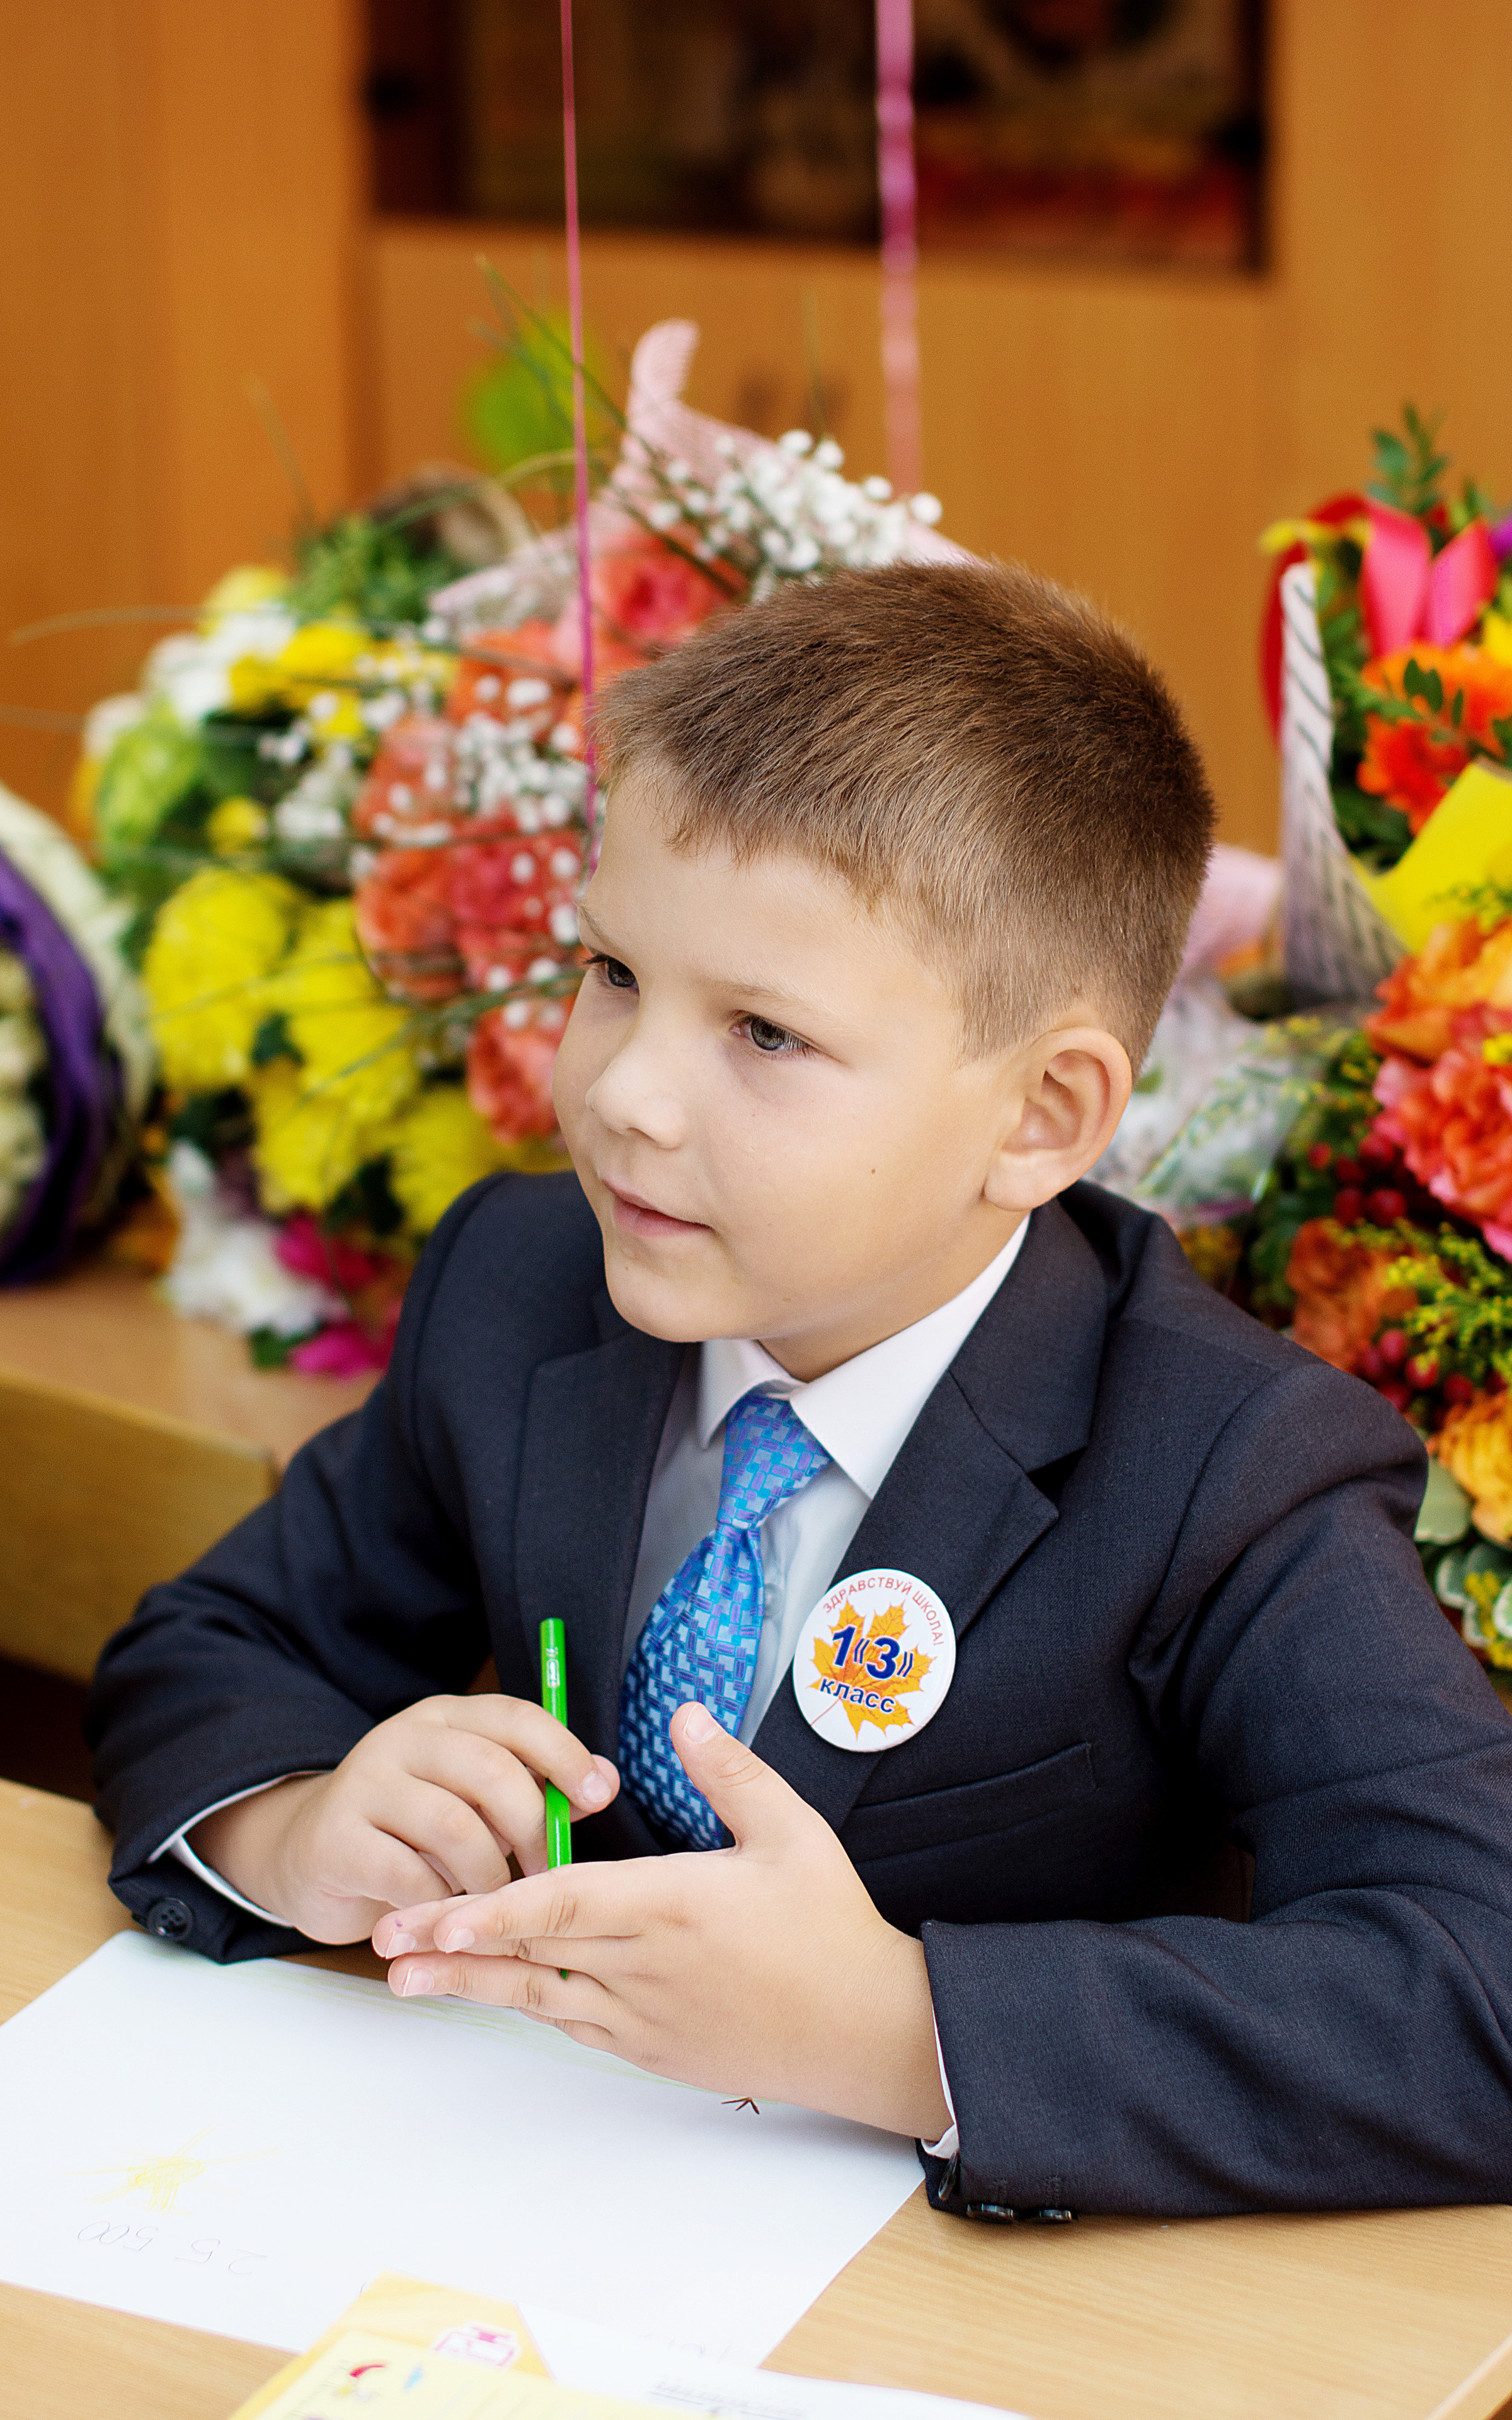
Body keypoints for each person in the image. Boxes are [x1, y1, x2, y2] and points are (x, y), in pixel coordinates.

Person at [88, 562, 1512, 2220]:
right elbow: (210, 1646)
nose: (625, 1097)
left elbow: (1477, 1990)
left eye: (763, 1035)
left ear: (1045, 1117)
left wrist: (899, 2028)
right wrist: (296, 1823)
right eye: (612, 973)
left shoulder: (1225, 1467)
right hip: (504, 2209)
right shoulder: (520, 1286)